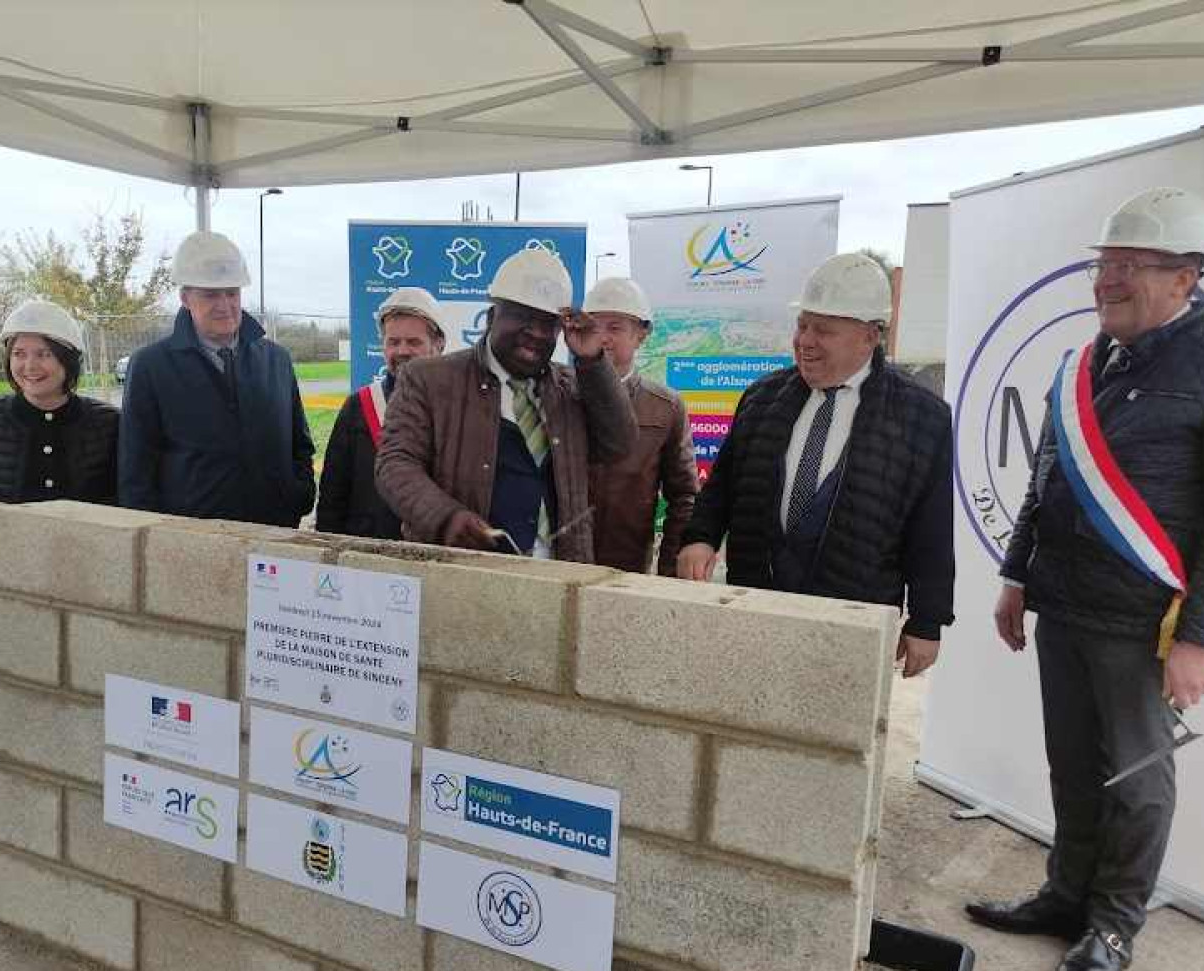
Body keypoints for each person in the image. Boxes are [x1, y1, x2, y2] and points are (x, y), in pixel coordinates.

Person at [968, 187, 1204, 971]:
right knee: (1072, 764)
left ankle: (1113, 926)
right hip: (1065, 605)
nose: (1105, 281)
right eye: (1102, 264)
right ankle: (1063, 895)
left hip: (1147, 625)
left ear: (1186, 276)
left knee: (1136, 781)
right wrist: (1016, 572)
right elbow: (1047, 478)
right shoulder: (1083, 363)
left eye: (1128, 266)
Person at [676, 253, 954, 674]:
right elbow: (724, 486)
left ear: (870, 335)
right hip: (754, 609)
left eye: (823, 330)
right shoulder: (761, 399)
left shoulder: (922, 418)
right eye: (802, 325)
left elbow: (931, 528)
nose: (804, 340)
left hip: (852, 626)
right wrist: (700, 538)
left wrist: (927, 620)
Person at [375, 247, 637, 561]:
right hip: (461, 575)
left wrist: (593, 361)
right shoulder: (428, 380)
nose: (536, 334)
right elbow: (395, 464)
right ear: (491, 317)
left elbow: (620, 444)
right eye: (523, 318)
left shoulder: (573, 388)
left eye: (548, 324)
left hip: (557, 576)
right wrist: (445, 518)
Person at [0, 299, 118, 649]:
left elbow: (121, 493)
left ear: (68, 360)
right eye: (19, 353)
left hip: (85, 567)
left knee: (87, 658)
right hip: (6, 568)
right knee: (16, 665)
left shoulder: (107, 423)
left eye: (43, 354)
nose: (29, 365)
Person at [118, 230, 315, 527]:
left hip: (273, 534)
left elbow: (299, 442)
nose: (224, 305)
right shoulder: (150, 366)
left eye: (232, 292)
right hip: (194, 543)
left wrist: (298, 495)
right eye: (211, 294)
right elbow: (136, 467)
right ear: (185, 298)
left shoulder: (276, 359)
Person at [583, 277, 698, 575]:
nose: (603, 338)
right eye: (594, 326)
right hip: (559, 561)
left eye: (615, 327)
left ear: (641, 335)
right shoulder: (559, 394)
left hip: (626, 569)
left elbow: (684, 496)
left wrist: (669, 574)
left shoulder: (665, 407)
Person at [315, 287, 446, 539]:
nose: (402, 351)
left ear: (438, 344)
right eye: (393, 342)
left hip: (436, 557)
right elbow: (333, 498)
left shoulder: (459, 410)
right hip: (368, 561)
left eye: (414, 342)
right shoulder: (358, 407)